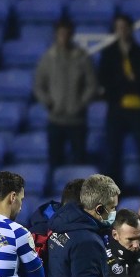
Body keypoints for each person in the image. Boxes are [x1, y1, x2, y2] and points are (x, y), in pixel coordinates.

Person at [33, 18, 98, 169]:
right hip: (55, 120)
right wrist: (48, 102)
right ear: (56, 35)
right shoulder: (48, 58)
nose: (64, 37)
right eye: (61, 34)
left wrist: (81, 104)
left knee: (79, 161)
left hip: (77, 121)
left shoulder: (82, 58)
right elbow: (39, 85)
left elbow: (92, 84)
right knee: (55, 161)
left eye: (67, 34)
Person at [99, 14, 140, 189]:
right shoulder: (108, 53)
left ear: (131, 28)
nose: (122, 30)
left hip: (138, 107)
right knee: (113, 151)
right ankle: (114, 189)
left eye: (125, 26)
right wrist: (126, 82)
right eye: (118, 27)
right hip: (117, 107)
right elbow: (105, 80)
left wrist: (128, 82)